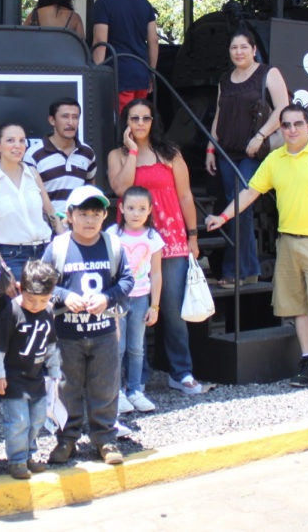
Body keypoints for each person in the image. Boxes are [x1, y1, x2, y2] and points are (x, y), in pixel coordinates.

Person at [205, 103, 308, 393]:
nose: (292, 130)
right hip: (289, 242)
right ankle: (307, 361)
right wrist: (223, 216)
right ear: (280, 129)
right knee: (297, 307)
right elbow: (250, 192)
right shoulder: (275, 160)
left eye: (298, 124)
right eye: (286, 125)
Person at [107, 99, 203, 395]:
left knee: (171, 308)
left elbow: (186, 196)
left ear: (153, 121)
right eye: (133, 118)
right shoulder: (117, 155)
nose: (139, 124)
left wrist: (193, 236)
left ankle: (181, 372)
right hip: (132, 242)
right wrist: (133, 152)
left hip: (171, 239)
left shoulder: (170, 153)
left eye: (145, 118)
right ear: (126, 122)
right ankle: (138, 377)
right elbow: (120, 189)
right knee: (133, 310)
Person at [42, 185, 134, 466]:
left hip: (104, 333)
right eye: (83, 214)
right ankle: (67, 438)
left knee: (105, 387)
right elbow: (42, 282)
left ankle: (105, 438)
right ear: (70, 216)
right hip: (67, 335)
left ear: (105, 216)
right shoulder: (58, 247)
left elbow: (128, 281)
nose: (90, 220)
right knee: (67, 387)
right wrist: (63, 295)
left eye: (96, 214)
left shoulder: (113, 245)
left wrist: (107, 298)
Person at [205, 28, 289, 288]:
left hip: (255, 152)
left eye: (243, 47)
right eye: (234, 47)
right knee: (239, 207)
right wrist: (211, 147)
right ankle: (249, 268)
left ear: (254, 49)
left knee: (238, 204)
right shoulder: (225, 80)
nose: (238, 52)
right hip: (227, 151)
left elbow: (283, 108)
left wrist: (261, 136)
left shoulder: (268, 73)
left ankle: (235, 271)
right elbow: (219, 115)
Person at [0, 260, 62, 479]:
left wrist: (55, 370)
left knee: (38, 418)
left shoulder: (48, 311)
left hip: (36, 378)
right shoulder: (12, 311)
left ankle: (29, 453)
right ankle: (17, 460)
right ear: (21, 288)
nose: (37, 305)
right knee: (18, 420)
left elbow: (50, 344)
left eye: (43, 300)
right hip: (13, 379)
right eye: (32, 299)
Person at [106, 186, 162, 414]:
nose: (135, 213)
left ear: (150, 210)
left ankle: (135, 390)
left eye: (141, 208)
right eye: (130, 208)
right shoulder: (112, 234)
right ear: (121, 208)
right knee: (117, 347)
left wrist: (155, 305)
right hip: (118, 298)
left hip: (141, 298)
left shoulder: (153, 237)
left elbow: (156, 273)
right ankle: (116, 392)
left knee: (137, 347)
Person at [0, 122, 65, 283]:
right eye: (10, 140)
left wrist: (66, 241)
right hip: (11, 255)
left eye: (22, 140)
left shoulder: (32, 173)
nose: (17, 145)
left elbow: (49, 211)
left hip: (45, 250)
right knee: (22, 305)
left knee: (48, 304)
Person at [91, 0, 158, 109]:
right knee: (139, 124)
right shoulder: (144, 3)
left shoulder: (103, 4)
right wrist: (151, 72)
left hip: (118, 76)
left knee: (123, 125)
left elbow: (101, 41)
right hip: (141, 73)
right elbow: (153, 40)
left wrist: (96, 74)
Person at [26, 97, 97, 210]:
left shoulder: (87, 153)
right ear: (52, 120)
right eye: (65, 116)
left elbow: (90, 191)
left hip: (77, 225)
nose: (70, 122)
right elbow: (29, 198)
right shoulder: (34, 155)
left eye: (75, 117)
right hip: (45, 225)